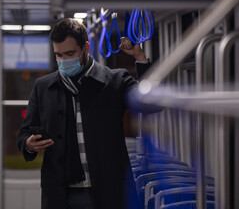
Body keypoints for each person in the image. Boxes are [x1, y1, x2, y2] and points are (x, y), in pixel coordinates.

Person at [17, 18, 153, 209]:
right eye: (59, 55)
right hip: (60, 193)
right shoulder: (44, 87)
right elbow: (24, 134)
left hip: (108, 190)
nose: (64, 61)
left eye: (70, 53)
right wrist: (29, 144)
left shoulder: (114, 81)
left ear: (86, 48)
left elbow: (152, 103)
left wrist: (139, 57)